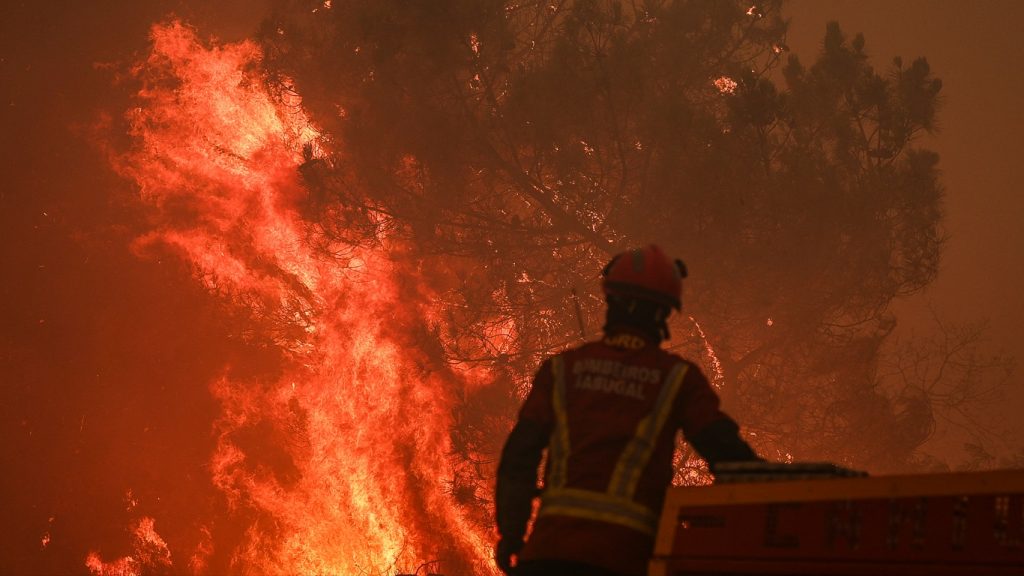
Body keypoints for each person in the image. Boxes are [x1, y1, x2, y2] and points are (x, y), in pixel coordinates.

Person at [494, 244, 761, 576]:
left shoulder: (562, 370)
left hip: (549, 556)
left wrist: (512, 534)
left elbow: (519, 458)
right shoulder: (678, 379)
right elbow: (729, 456)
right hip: (626, 561)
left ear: (611, 300)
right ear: (664, 313)